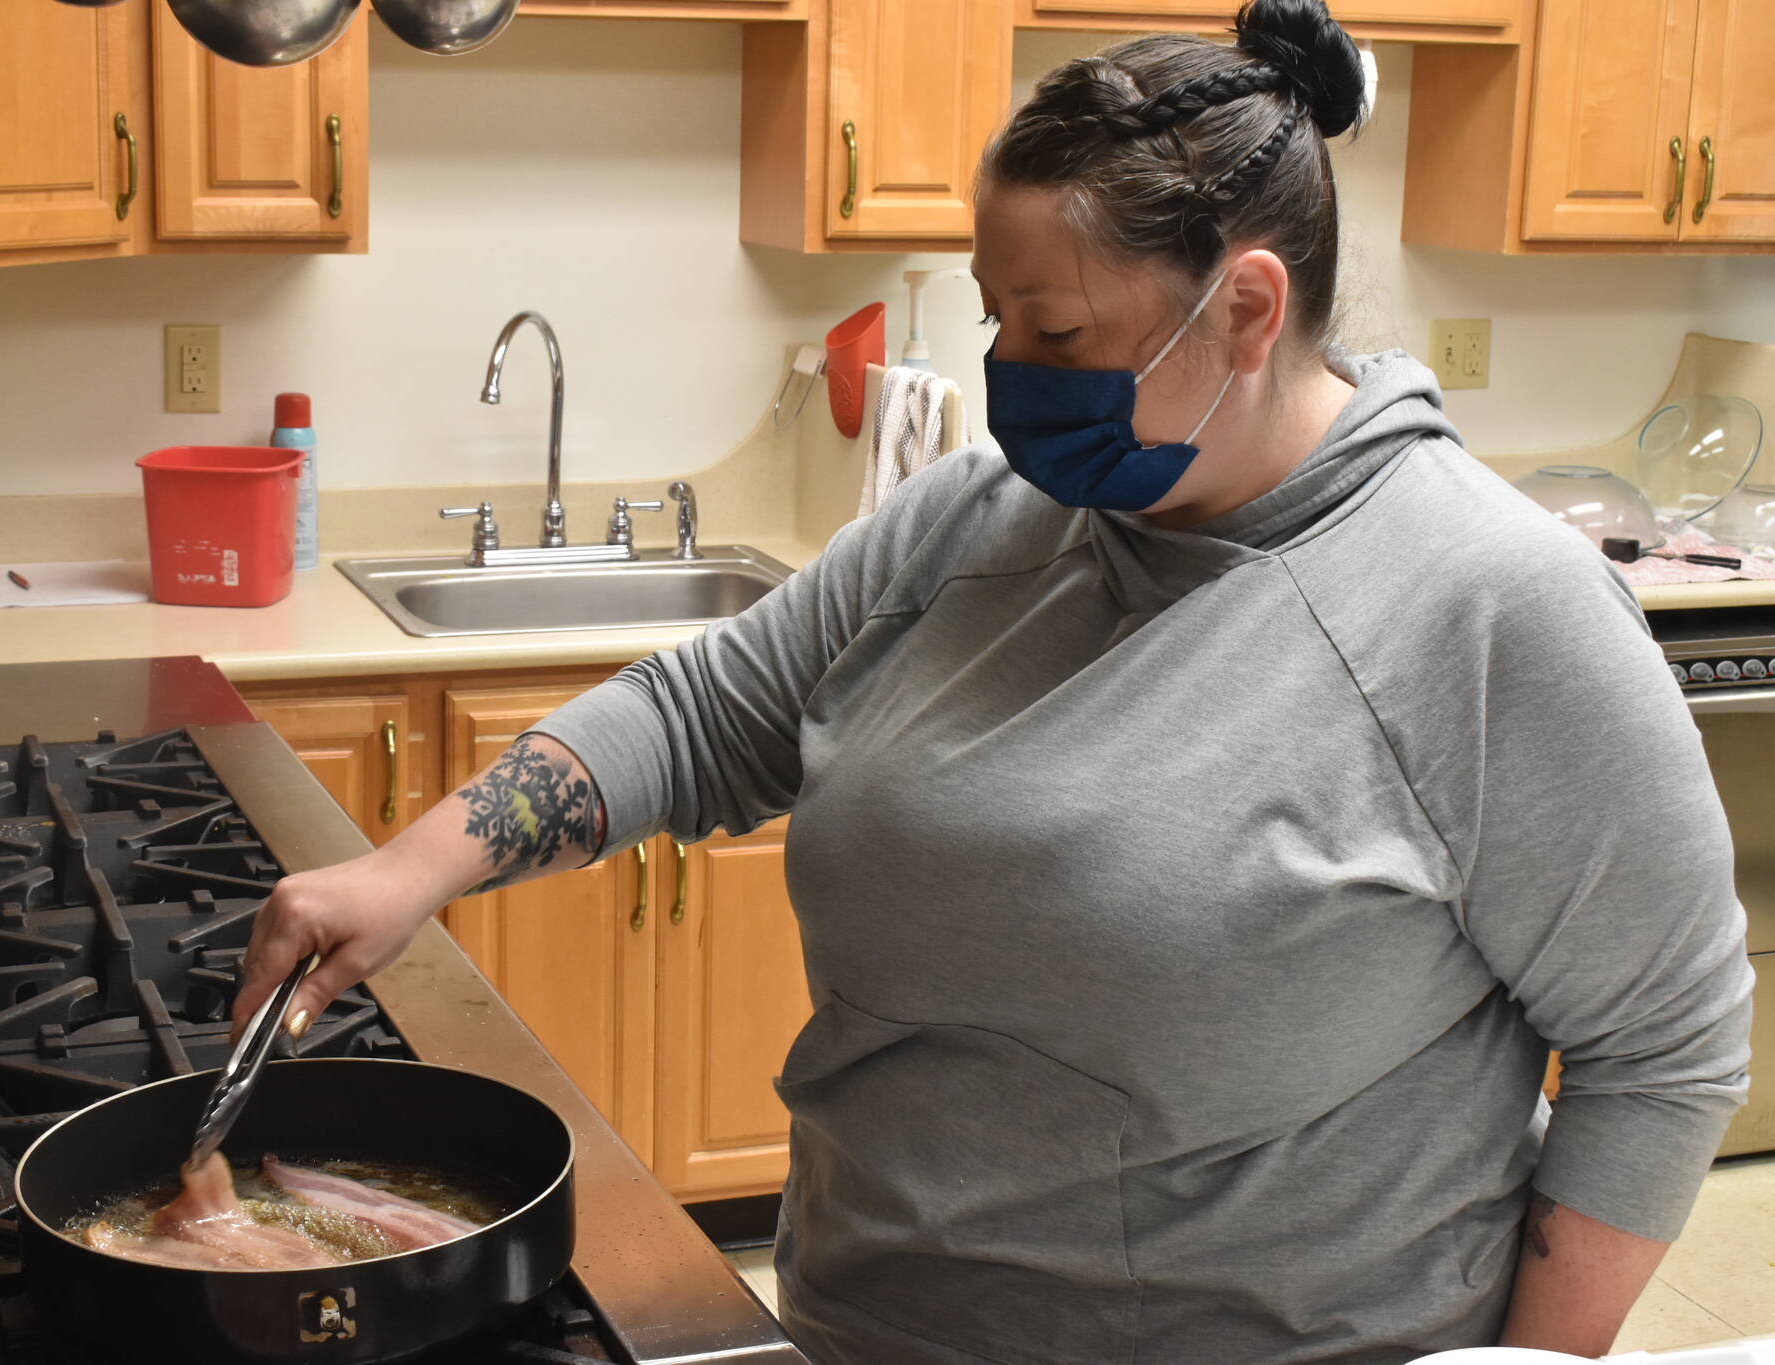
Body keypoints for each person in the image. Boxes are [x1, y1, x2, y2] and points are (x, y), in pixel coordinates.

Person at [232, 2, 1753, 1359]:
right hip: (860, 1323)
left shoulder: (1489, 604)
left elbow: (1665, 1049)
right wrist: (412, 867)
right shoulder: (985, 517)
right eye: (997, 313)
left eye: (1061, 328)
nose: (1015, 369)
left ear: (1248, 308)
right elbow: (708, 713)